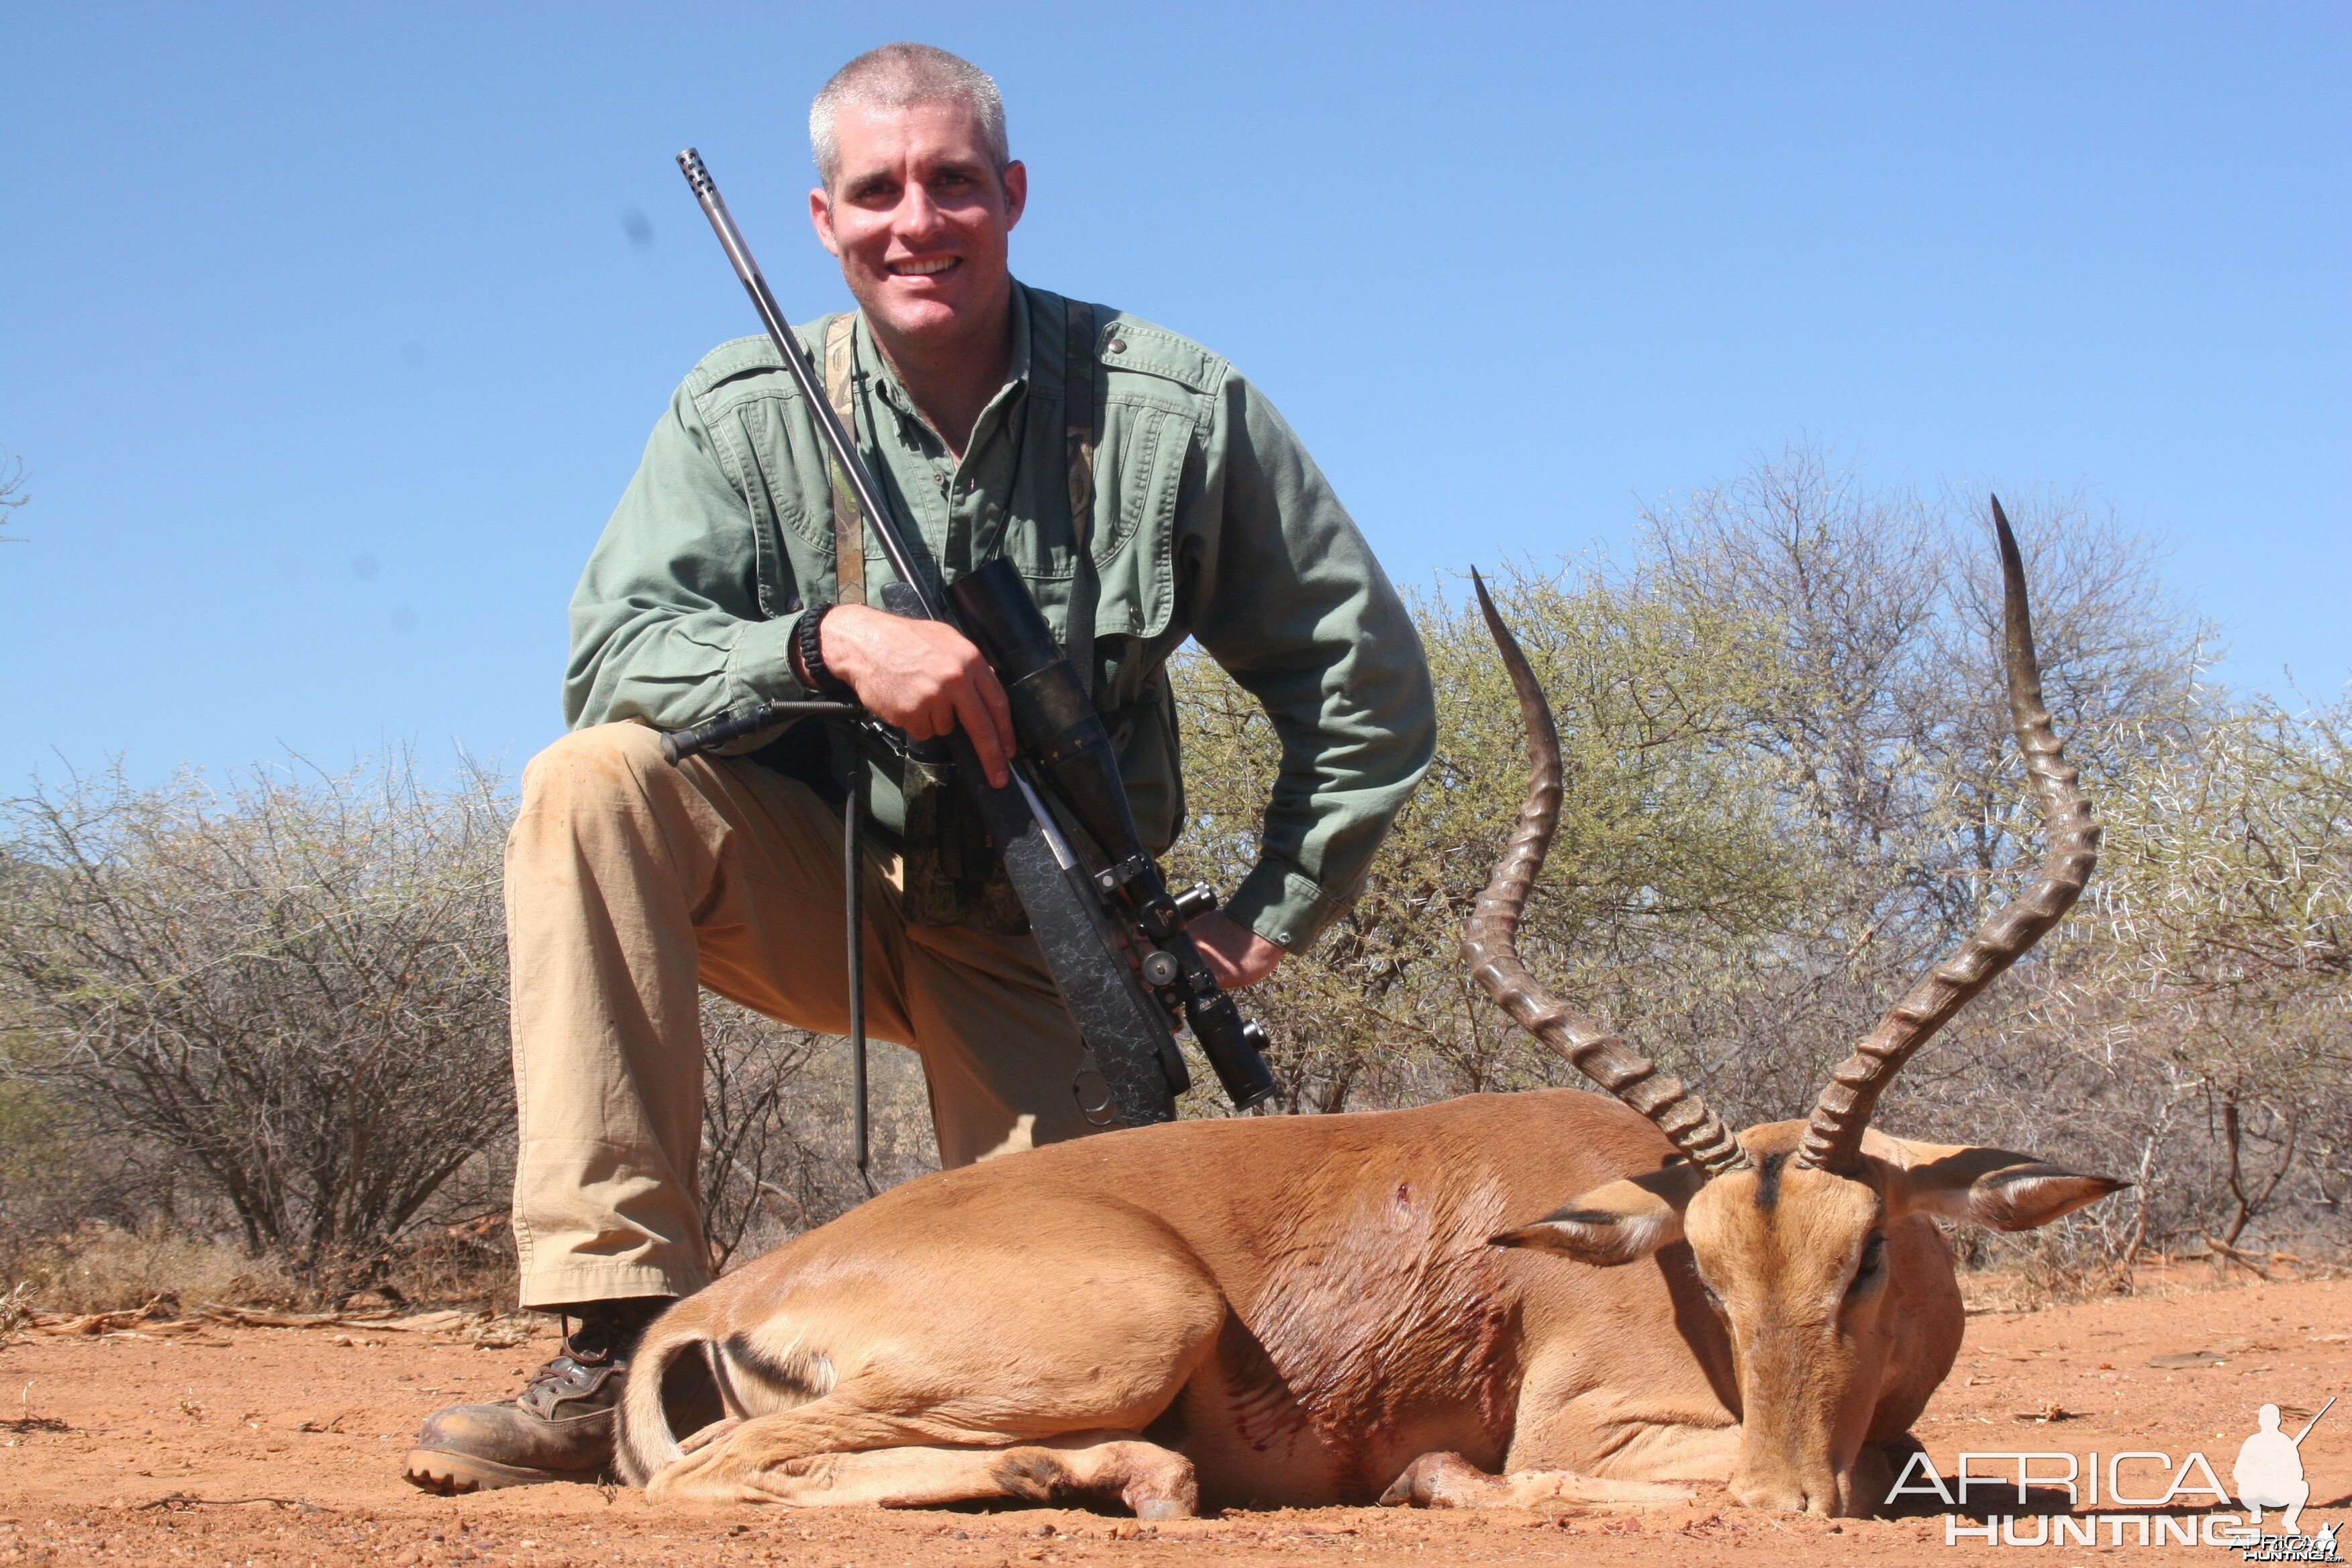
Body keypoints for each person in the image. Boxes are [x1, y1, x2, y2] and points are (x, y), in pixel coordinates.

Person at [403, 42, 1435, 1493]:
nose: (917, 222)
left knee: (1080, 1346)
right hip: (806, 893)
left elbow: (1365, 684)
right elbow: (613, 659)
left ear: (1011, 196)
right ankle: (613, 1335)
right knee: (590, 781)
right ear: (822, 223)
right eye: (875, 190)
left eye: (953, 183)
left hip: (1042, 939)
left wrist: (1267, 912)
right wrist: (827, 645)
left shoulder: (1174, 406)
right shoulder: (736, 406)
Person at [2233, 1403, 2311, 1534]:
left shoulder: (2285, 1443)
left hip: (2279, 1492)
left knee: (2303, 1487)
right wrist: (2258, 1472)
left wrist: (2280, 1472)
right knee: (2243, 1487)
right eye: (2266, 1420)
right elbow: (2238, 1473)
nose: (2269, 1423)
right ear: (2260, 1421)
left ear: (2278, 1421)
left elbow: (2298, 1473)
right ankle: (2256, 1511)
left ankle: (2290, 1520)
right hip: (2255, 1493)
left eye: (2272, 1420)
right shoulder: (2252, 1442)